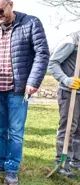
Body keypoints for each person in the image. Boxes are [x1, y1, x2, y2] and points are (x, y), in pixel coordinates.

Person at [0, 0, 50, 184]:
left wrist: (33, 81)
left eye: (0, 11)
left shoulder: (30, 23)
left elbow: (42, 53)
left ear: (10, 4)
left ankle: (11, 168)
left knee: (16, 132)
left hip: (18, 90)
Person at [48, 31, 80, 178]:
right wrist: (66, 79)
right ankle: (62, 164)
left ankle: (76, 161)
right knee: (68, 128)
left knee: (78, 130)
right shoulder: (72, 41)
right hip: (69, 93)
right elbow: (52, 63)